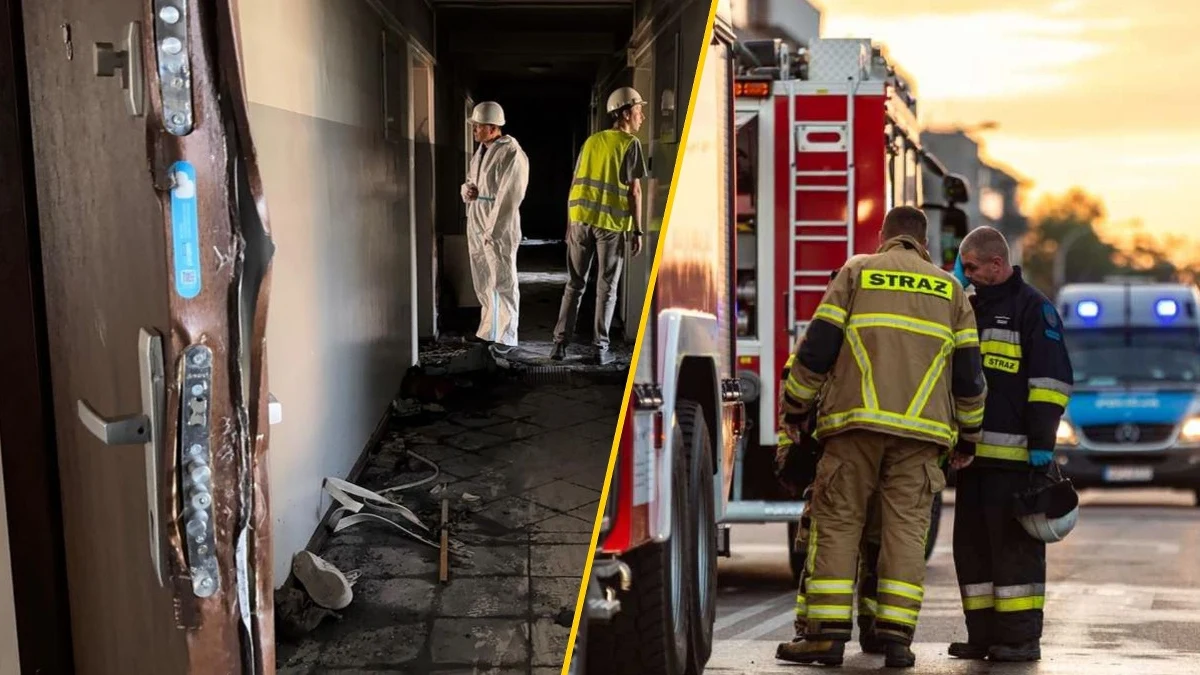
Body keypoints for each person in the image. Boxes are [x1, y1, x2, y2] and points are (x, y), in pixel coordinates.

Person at [777, 206, 987, 668]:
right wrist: (968, 438)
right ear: (925, 243)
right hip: (922, 439)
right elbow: (970, 378)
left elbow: (817, 349)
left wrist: (795, 407)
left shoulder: (858, 272)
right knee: (906, 532)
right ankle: (895, 639)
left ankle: (824, 638)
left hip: (854, 429)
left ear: (883, 237)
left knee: (838, 523)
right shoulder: (951, 290)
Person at [948, 226, 1074, 663]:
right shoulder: (968, 307)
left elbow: (1051, 382)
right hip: (972, 459)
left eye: (973, 268)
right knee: (972, 551)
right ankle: (982, 636)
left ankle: (1020, 640)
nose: (968, 276)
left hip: (1018, 461)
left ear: (997, 265)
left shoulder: (1034, 310)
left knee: (1014, 556)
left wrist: (1042, 443)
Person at [775, 269, 889, 660]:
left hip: (836, 462)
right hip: (877, 461)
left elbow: (794, 398)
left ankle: (818, 633)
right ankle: (877, 632)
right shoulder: (878, 341)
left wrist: (789, 460)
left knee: (823, 548)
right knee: (876, 546)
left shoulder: (823, 341)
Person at [551, 87, 648, 366]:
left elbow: (574, 182)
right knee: (607, 288)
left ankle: (559, 345)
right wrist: (637, 230)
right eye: (639, 111)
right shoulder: (630, 144)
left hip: (581, 219)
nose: (642, 116)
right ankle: (600, 348)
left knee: (574, 284)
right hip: (609, 226)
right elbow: (635, 192)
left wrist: (569, 223)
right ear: (626, 113)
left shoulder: (591, 141)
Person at [461, 101, 530, 355]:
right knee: (483, 278)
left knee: (502, 279)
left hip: (498, 224)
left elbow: (510, 195)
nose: (474, 130)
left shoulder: (511, 152)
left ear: (492, 127)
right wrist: (467, 191)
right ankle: (487, 330)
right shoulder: (481, 151)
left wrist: (493, 229)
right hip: (478, 217)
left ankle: (506, 335)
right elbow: (472, 181)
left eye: (478, 126)